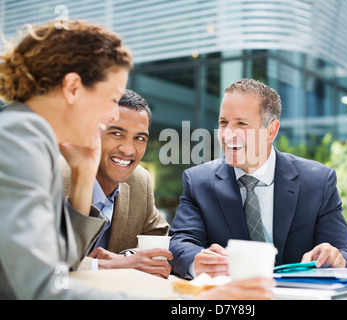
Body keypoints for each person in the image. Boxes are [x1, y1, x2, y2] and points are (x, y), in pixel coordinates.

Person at [0, 21, 274, 299]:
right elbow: (41, 289)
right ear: (72, 87)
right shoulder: (18, 142)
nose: (110, 116)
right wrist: (189, 302)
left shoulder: (27, 136)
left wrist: (84, 175)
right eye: (111, 99)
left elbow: (62, 267)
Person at [169, 78, 347, 279]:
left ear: (271, 131)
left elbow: (346, 254)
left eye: (241, 124)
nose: (227, 135)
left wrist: (334, 258)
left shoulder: (318, 181)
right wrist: (197, 261)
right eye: (223, 123)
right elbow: (179, 243)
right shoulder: (198, 181)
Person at [60, 89, 172, 278]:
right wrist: (105, 265)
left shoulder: (140, 180)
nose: (128, 150)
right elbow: (34, 252)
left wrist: (127, 256)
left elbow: (160, 239)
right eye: (117, 133)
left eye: (139, 138)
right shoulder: (50, 175)